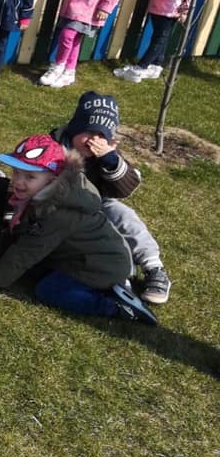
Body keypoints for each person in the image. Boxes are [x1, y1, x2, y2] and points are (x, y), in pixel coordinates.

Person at [0, 134, 158, 325]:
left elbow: (29, 249)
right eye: (16, 172)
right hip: (81, 258)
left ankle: (117, 306)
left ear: (53, 178)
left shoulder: (58, 210)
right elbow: (25, 232)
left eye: (30, 176)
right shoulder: (43, 195)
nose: (18, 181)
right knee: (35, 271)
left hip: (101, 266)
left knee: (49, 289)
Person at [50, 91, 171, 303]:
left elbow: (127, 187)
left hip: (97, 205)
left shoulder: (107, 156)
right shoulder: (53, 146)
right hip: (59, 209)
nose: (94, 140)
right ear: (75, 128)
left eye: (102, 135)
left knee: (123, 215)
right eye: (89, 132)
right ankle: (120, 278)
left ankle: (153, 267)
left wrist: (111, 161)